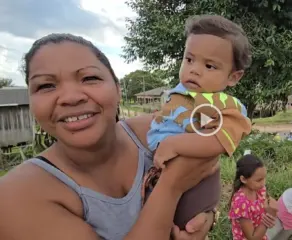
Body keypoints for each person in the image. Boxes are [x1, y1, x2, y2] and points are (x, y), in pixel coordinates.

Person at [0, 33, 218, 240]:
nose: (71, 97)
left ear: (118, 89)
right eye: (46, 85)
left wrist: (205, 215)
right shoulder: (16, 196)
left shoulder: (156, 131)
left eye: (89, 78)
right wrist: (171, 186)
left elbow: (210, 159)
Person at [146, 15, 252, 229]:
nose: (194, 69)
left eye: (210, 66)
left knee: (183, 225)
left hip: (196, 180)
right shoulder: (179, 92)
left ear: (233, 77)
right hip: (160, 170)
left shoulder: (226, 105)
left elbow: (219, 141)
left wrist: (174, 144)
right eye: (189, 59)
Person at [228, 154, 277, 240]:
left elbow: (268, 201)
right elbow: (252, 237)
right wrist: (269, 218)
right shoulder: (241, 203)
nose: (263, 183)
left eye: (264, 178)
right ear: (243, 179)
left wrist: (270, 211)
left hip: (260, 233)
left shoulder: (259, 190)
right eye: (259, 180)